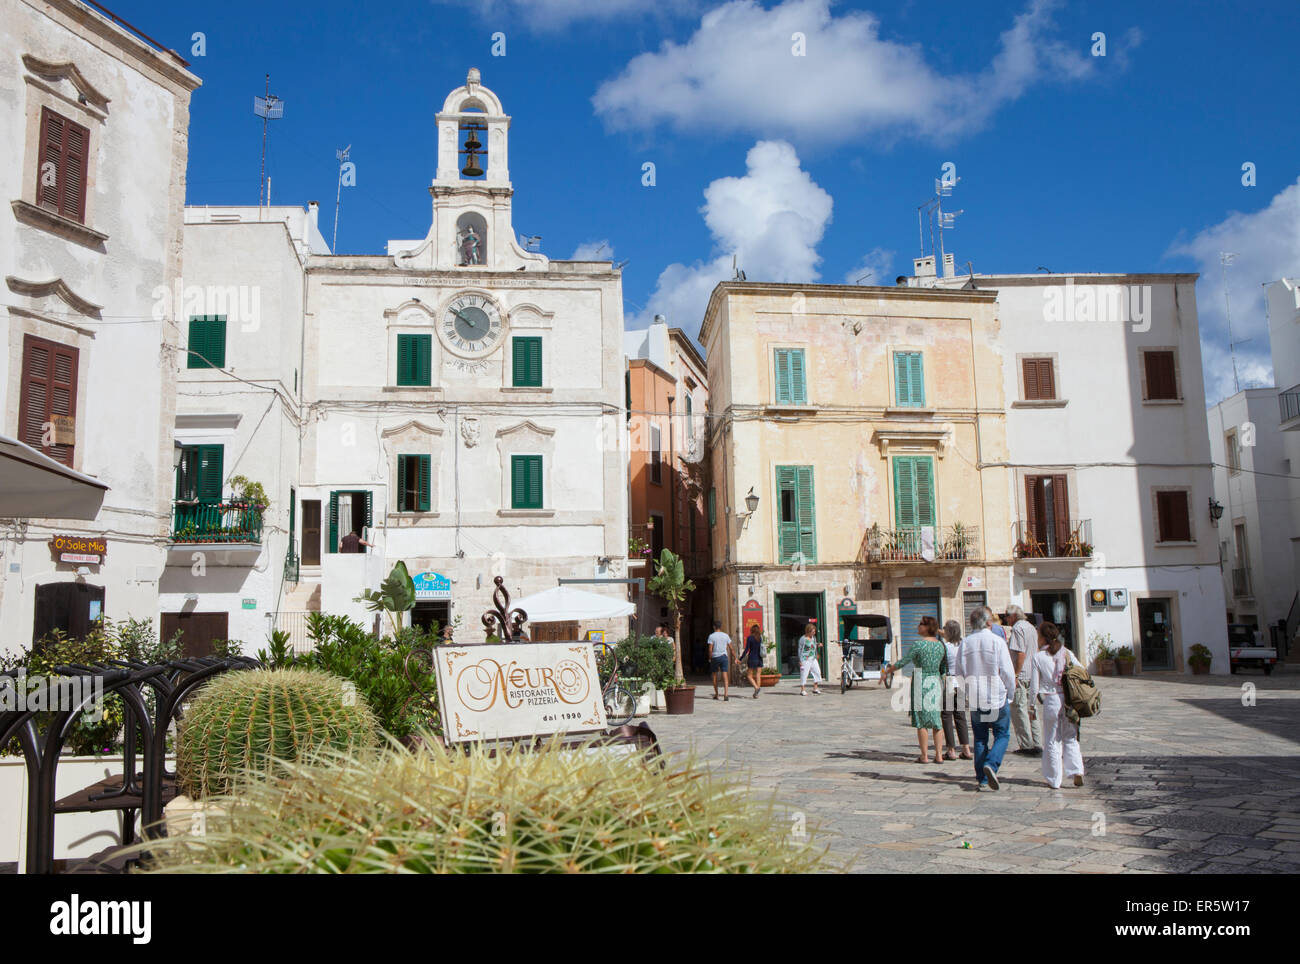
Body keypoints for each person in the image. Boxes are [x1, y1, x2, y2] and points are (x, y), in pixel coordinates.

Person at [955, 606, 1016, 790]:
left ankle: (982, 778)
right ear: (989, 622)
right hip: (996, 695)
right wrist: (1010, 694)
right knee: (1002, 734)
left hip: (976, 696)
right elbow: (1007, 672)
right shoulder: (997, 642)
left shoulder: (965, 643)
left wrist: (967, 692)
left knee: (980, 738)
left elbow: (959, 673)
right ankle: (992, 763)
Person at [1028, 622, 1085, 789]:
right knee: (1070, 737)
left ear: (1043, 638)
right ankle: (1077, 770)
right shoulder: (1066, 653)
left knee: (1052, 739)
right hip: (1068, 700)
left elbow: (1034, 686)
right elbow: (1082, 671)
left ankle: (1054, 779)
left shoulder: (1038, 657)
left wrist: (1031, 706)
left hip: (1051, 699)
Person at [885, 617, 946, 762]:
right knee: (936, 719)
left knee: (921, 721)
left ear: (926, 627)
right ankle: (938, 755)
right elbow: (943, 668)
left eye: (920, 624)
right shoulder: (940, 646)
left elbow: (904, 661)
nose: (918, 626)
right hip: (935, 681)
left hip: (921, 680)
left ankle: (924, 755)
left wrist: (888, 671)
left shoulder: (918, 645)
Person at [1006, 604, 1043, 755]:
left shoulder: (1017, 629)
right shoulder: (1031, 627)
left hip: (1021, 674)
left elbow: (1020, 654)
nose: (1006, 619)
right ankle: (1038, 742)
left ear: (1013, 616)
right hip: (1032, 673)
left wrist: (1015, 674)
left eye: (1007, 616)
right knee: (1032, 708)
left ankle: (1026, 745)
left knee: (1019, 709)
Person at [941, 619, 973, 761]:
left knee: (947, 715)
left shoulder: (945, 646)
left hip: (949, 680)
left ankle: (951, 749)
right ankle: (966, 748)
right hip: (961, 680)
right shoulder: (964, 644)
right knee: (960, 715)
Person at [706, 620, 735, 701]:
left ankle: (717, 694)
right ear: (720, 626)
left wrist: (709, 658)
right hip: (724, 657)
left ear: (714, 627)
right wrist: (735, 657)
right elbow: (731, 648)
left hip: (715, 657)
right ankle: (726, 694)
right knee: (725, 675)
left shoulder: (711, 636)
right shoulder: (726, 635)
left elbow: (710, 649)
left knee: (714, 676)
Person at [798, 621, 822, 696]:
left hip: (813, 658)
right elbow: (800, 649)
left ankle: (815, 688)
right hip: (805, 659)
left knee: (817, 671)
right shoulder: (803, 639)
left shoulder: (813, 638)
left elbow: (813, 645)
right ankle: (802, 690)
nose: (814, 633)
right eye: (812, 632)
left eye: (814, 631)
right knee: (804, 674)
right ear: (808, 631)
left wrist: (818, 645)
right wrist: (800, 660)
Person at [740, 622, 764, 698]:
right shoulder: (760, 638)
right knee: (758, 675)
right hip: (760, 658)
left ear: (752, 630)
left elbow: (747, 649)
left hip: (752, 658)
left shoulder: (750, 638)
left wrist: (741, 658)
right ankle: (757, 693)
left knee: (749, 676)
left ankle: (756, 688)